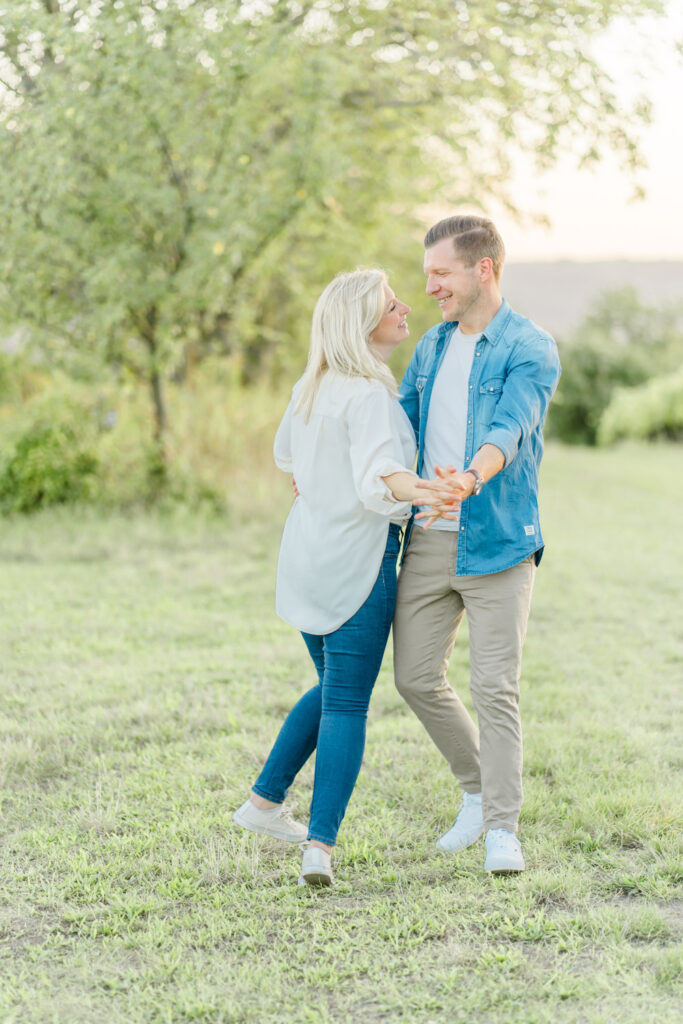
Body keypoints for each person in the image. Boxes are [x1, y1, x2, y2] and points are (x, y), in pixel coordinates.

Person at [233, 268, 458, 887]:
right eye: (392, 303)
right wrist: (430, 491)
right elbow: (381, 477)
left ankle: (262, 804)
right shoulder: (367, 396)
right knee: (348, 701)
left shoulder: (312, 386)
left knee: (334, 687)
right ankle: (319, 847)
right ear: (364, 321)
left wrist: (326, 482)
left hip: (306, 556)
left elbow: (288, 458)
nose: (406, 307)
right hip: (358, 563)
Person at [394, 214, 561, 873]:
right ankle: (474, 789)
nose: (429, 285)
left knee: (494, 686)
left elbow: (510, 426)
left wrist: (468, 476)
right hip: (429, 540)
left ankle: (501, 829)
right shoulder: (430, 349)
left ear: (481, 269)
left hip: (497, 542)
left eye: (440, 272)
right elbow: (399, 427)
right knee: (412, 677)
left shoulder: (529, 345)